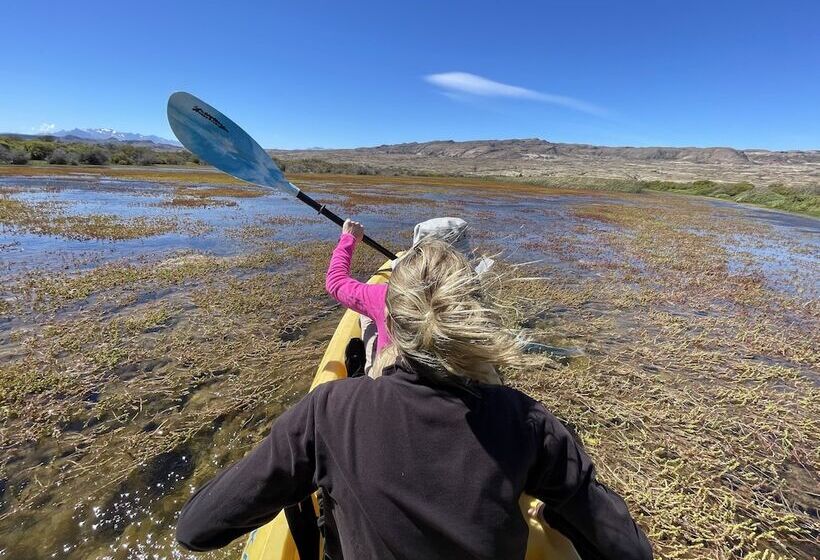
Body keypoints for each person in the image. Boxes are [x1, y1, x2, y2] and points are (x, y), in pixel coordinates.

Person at [175, 239, 653, 560]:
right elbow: (628, 550)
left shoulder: (329, 411)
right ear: (474, 315)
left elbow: (196, 530)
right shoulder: (528, 422)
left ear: (390, 323)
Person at [326, 217, 490, 376]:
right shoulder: (474, 303)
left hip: (388, 380)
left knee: (366, 316)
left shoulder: (385, 295)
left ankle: (359, 372)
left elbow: (336, 283)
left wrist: (349, 237)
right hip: (454, 385)